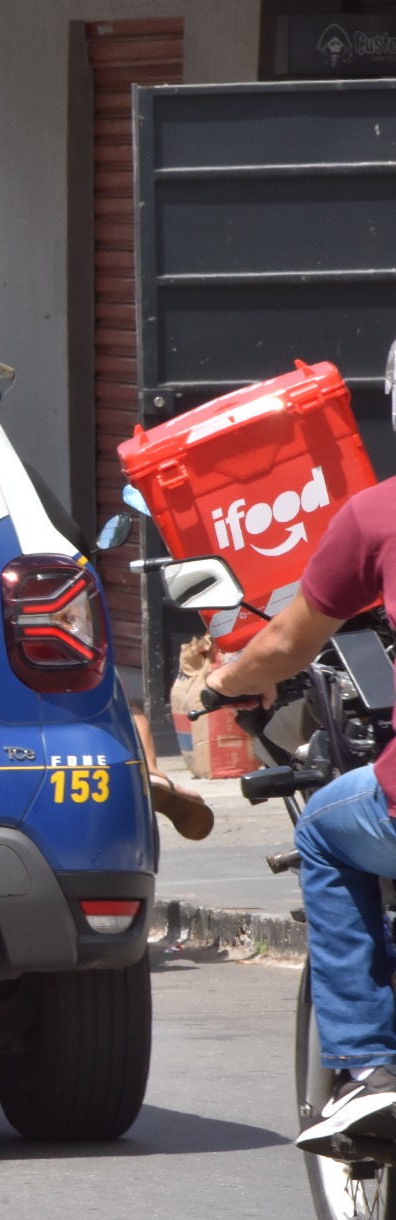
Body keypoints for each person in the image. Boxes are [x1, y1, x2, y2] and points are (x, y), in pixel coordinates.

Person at [202, 473, 396, 1152]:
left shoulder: (379, 511)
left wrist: (221, 682)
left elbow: (287, 642)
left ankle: (369, 1071)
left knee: (323, 830)